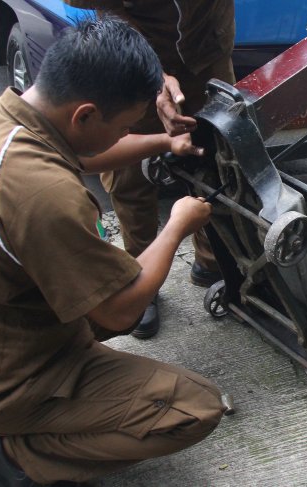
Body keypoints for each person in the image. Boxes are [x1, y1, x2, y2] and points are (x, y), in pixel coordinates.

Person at [0, 17, 225, 486]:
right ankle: (20, 458)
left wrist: (165, 141)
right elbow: (121, 311)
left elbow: (82, 154)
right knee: (194, 406)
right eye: (120, 127)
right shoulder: (43, 194)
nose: (121, 137)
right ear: (85, 115)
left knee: (92, 286)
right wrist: (177, 224)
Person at [64, 0, 236, 339]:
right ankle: (140, 277)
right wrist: (153, 77)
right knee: (128, 176)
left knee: (216, 158)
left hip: (208, 54)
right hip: (134, 60)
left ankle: (211, 260)